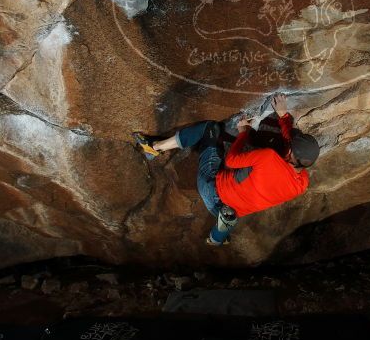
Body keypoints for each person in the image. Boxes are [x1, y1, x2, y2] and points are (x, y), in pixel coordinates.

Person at [134, 93, 320, 246]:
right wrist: (284, 117)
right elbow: (290, 149)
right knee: (236, 198)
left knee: (210, 129)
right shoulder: (301, 184)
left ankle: (155, 148)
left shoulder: (269, 158)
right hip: (230, 208)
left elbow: (231, 160)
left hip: (211, 187)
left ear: (290, 154)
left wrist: (243, 133)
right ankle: (219, 234)